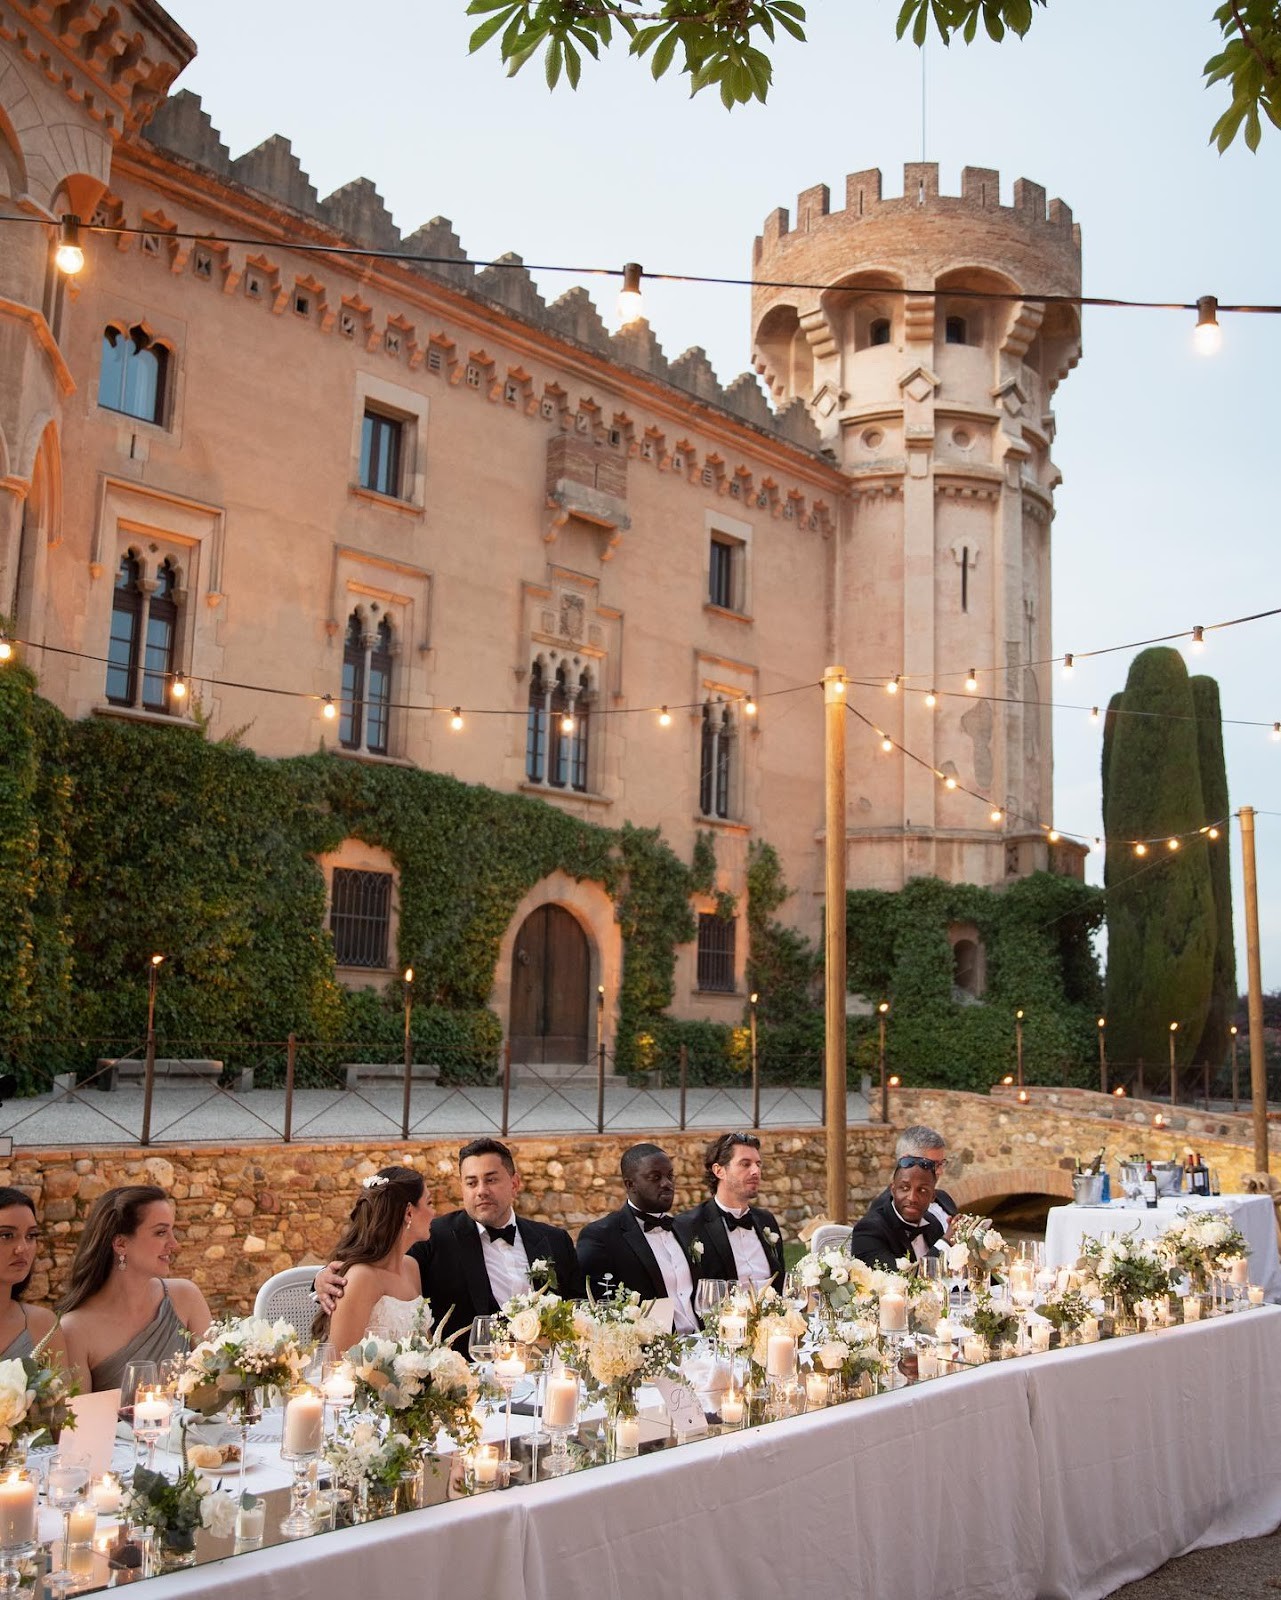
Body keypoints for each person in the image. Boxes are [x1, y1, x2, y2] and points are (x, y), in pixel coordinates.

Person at [316, 1138, 581, 1347]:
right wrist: (321, 1279)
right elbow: (375, 1262)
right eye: (471, 1182)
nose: (481, 1190)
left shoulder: (554, 1240)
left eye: (491, 1179)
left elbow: (578, 1310)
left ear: (514, 1184)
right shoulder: (436, 1238)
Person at [58, 1185, 212, 1392]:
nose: (174, 1244)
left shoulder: (186, 1297)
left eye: (171, 1232)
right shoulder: (73, 1330)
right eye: (160, 1233)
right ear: (121, 1244)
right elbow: (81, 1421)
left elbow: (218, 1390)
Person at [576, 1143, 698, 1333]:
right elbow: (598, 1311)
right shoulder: (601, 1237)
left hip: (707, 1344)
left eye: (670, 1176)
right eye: (655, 1177)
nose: (667, 1183)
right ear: (630, 1184)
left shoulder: (686, 1229)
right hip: (655, 1353)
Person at [314, 1166, 435, 1350]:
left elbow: (428, 1351)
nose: (434, 1212)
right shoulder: (362, 1278)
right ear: (409, 1212)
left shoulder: (411, 1267)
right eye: (430, 1203)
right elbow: (336, 1368)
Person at [678, 1132, 785, 1294]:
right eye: (745, 1164)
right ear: (719, 1171)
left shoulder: (766, 1220)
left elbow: (782, 1284)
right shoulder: (689, 1226)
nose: (756, 1171)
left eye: (758, 1164)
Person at [0, 1188, 67, 1365]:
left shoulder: (42, 1324)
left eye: (31, 1236)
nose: (22, 1248)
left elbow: (66, 1392)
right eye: (6, 1235)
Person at [848, 1157, 946, 1271]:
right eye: (904, 1188)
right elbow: (898, 1281)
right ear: (893, 1190)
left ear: (933, 1196)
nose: (912, 1198)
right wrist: (945, 1243)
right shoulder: (869, 1230)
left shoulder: (933, 1224)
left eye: (922, 1190)